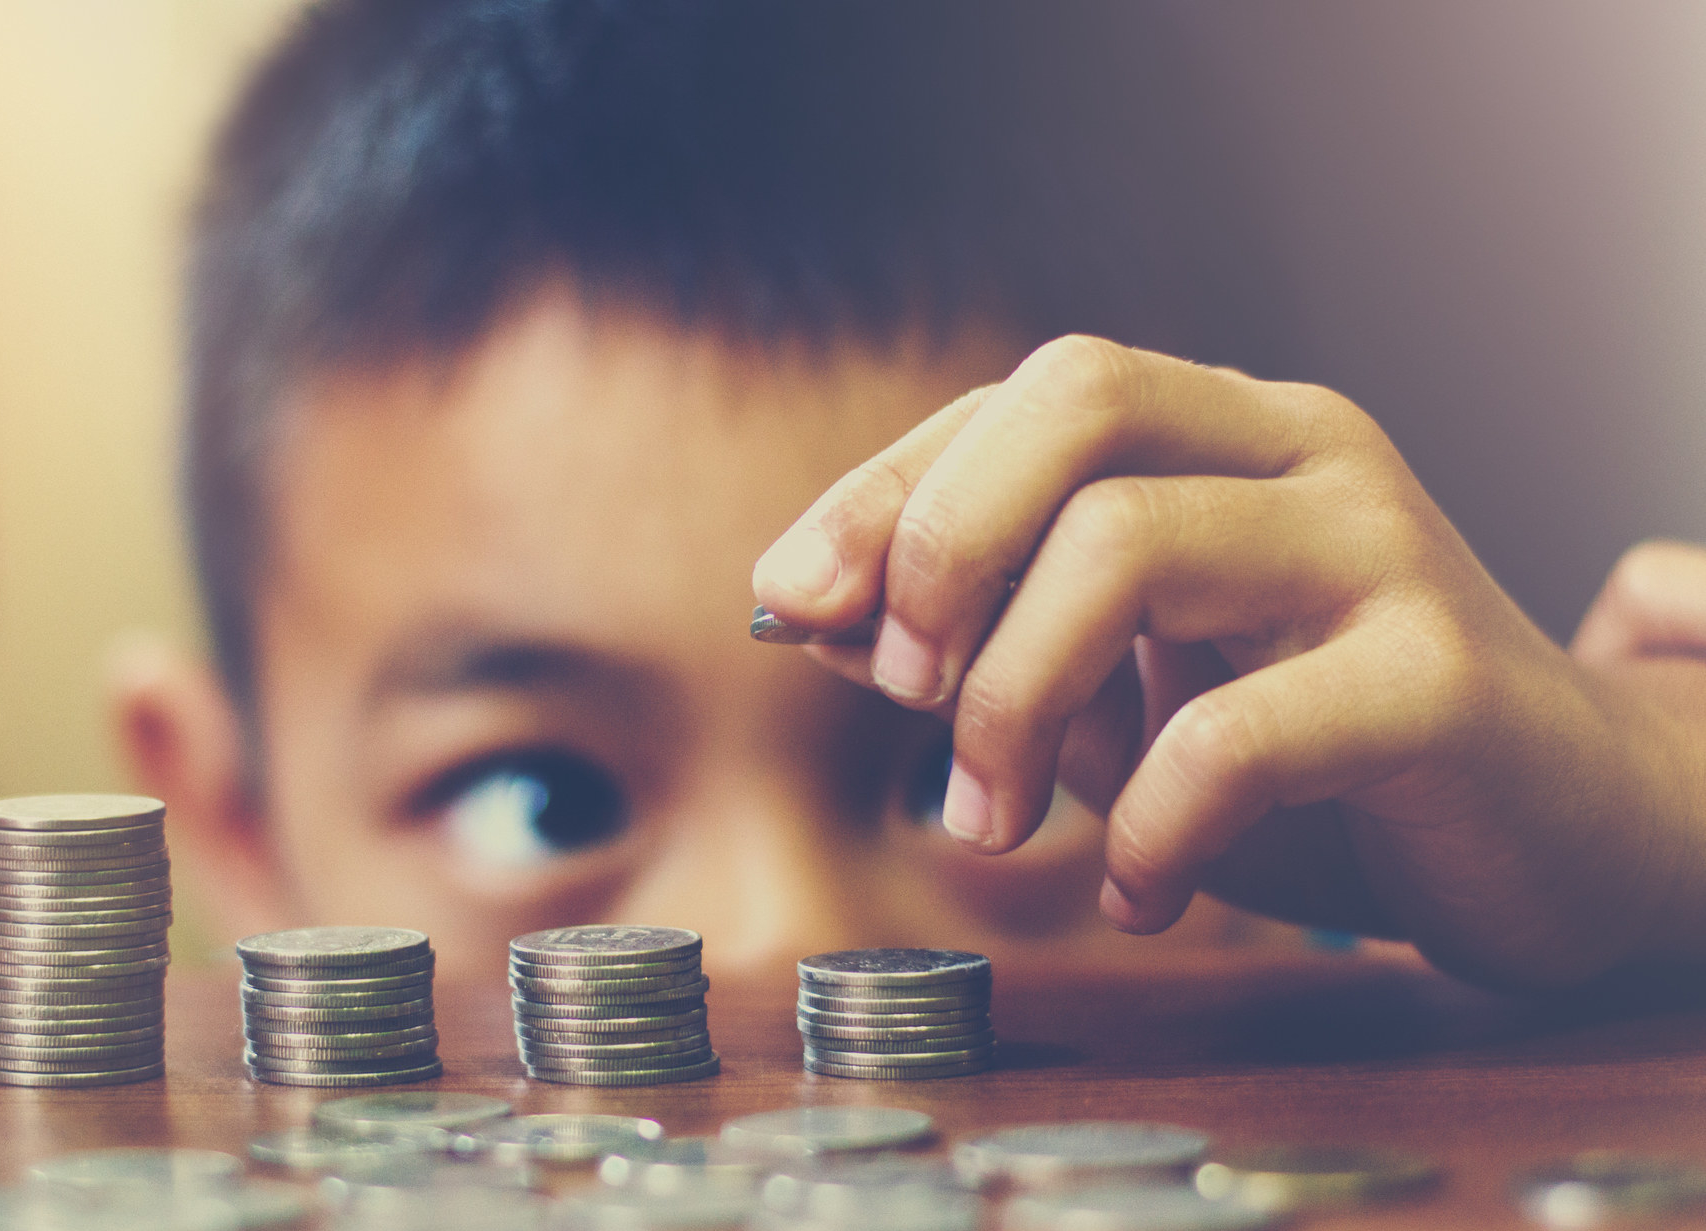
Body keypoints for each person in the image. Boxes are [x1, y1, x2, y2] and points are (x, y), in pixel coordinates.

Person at [115, 0, 1706, 990]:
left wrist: (1662, 811)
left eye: (986, 750)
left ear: (1270, 688)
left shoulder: (1462, 946)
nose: (785, 946)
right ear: (226, 825)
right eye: (546, 800)